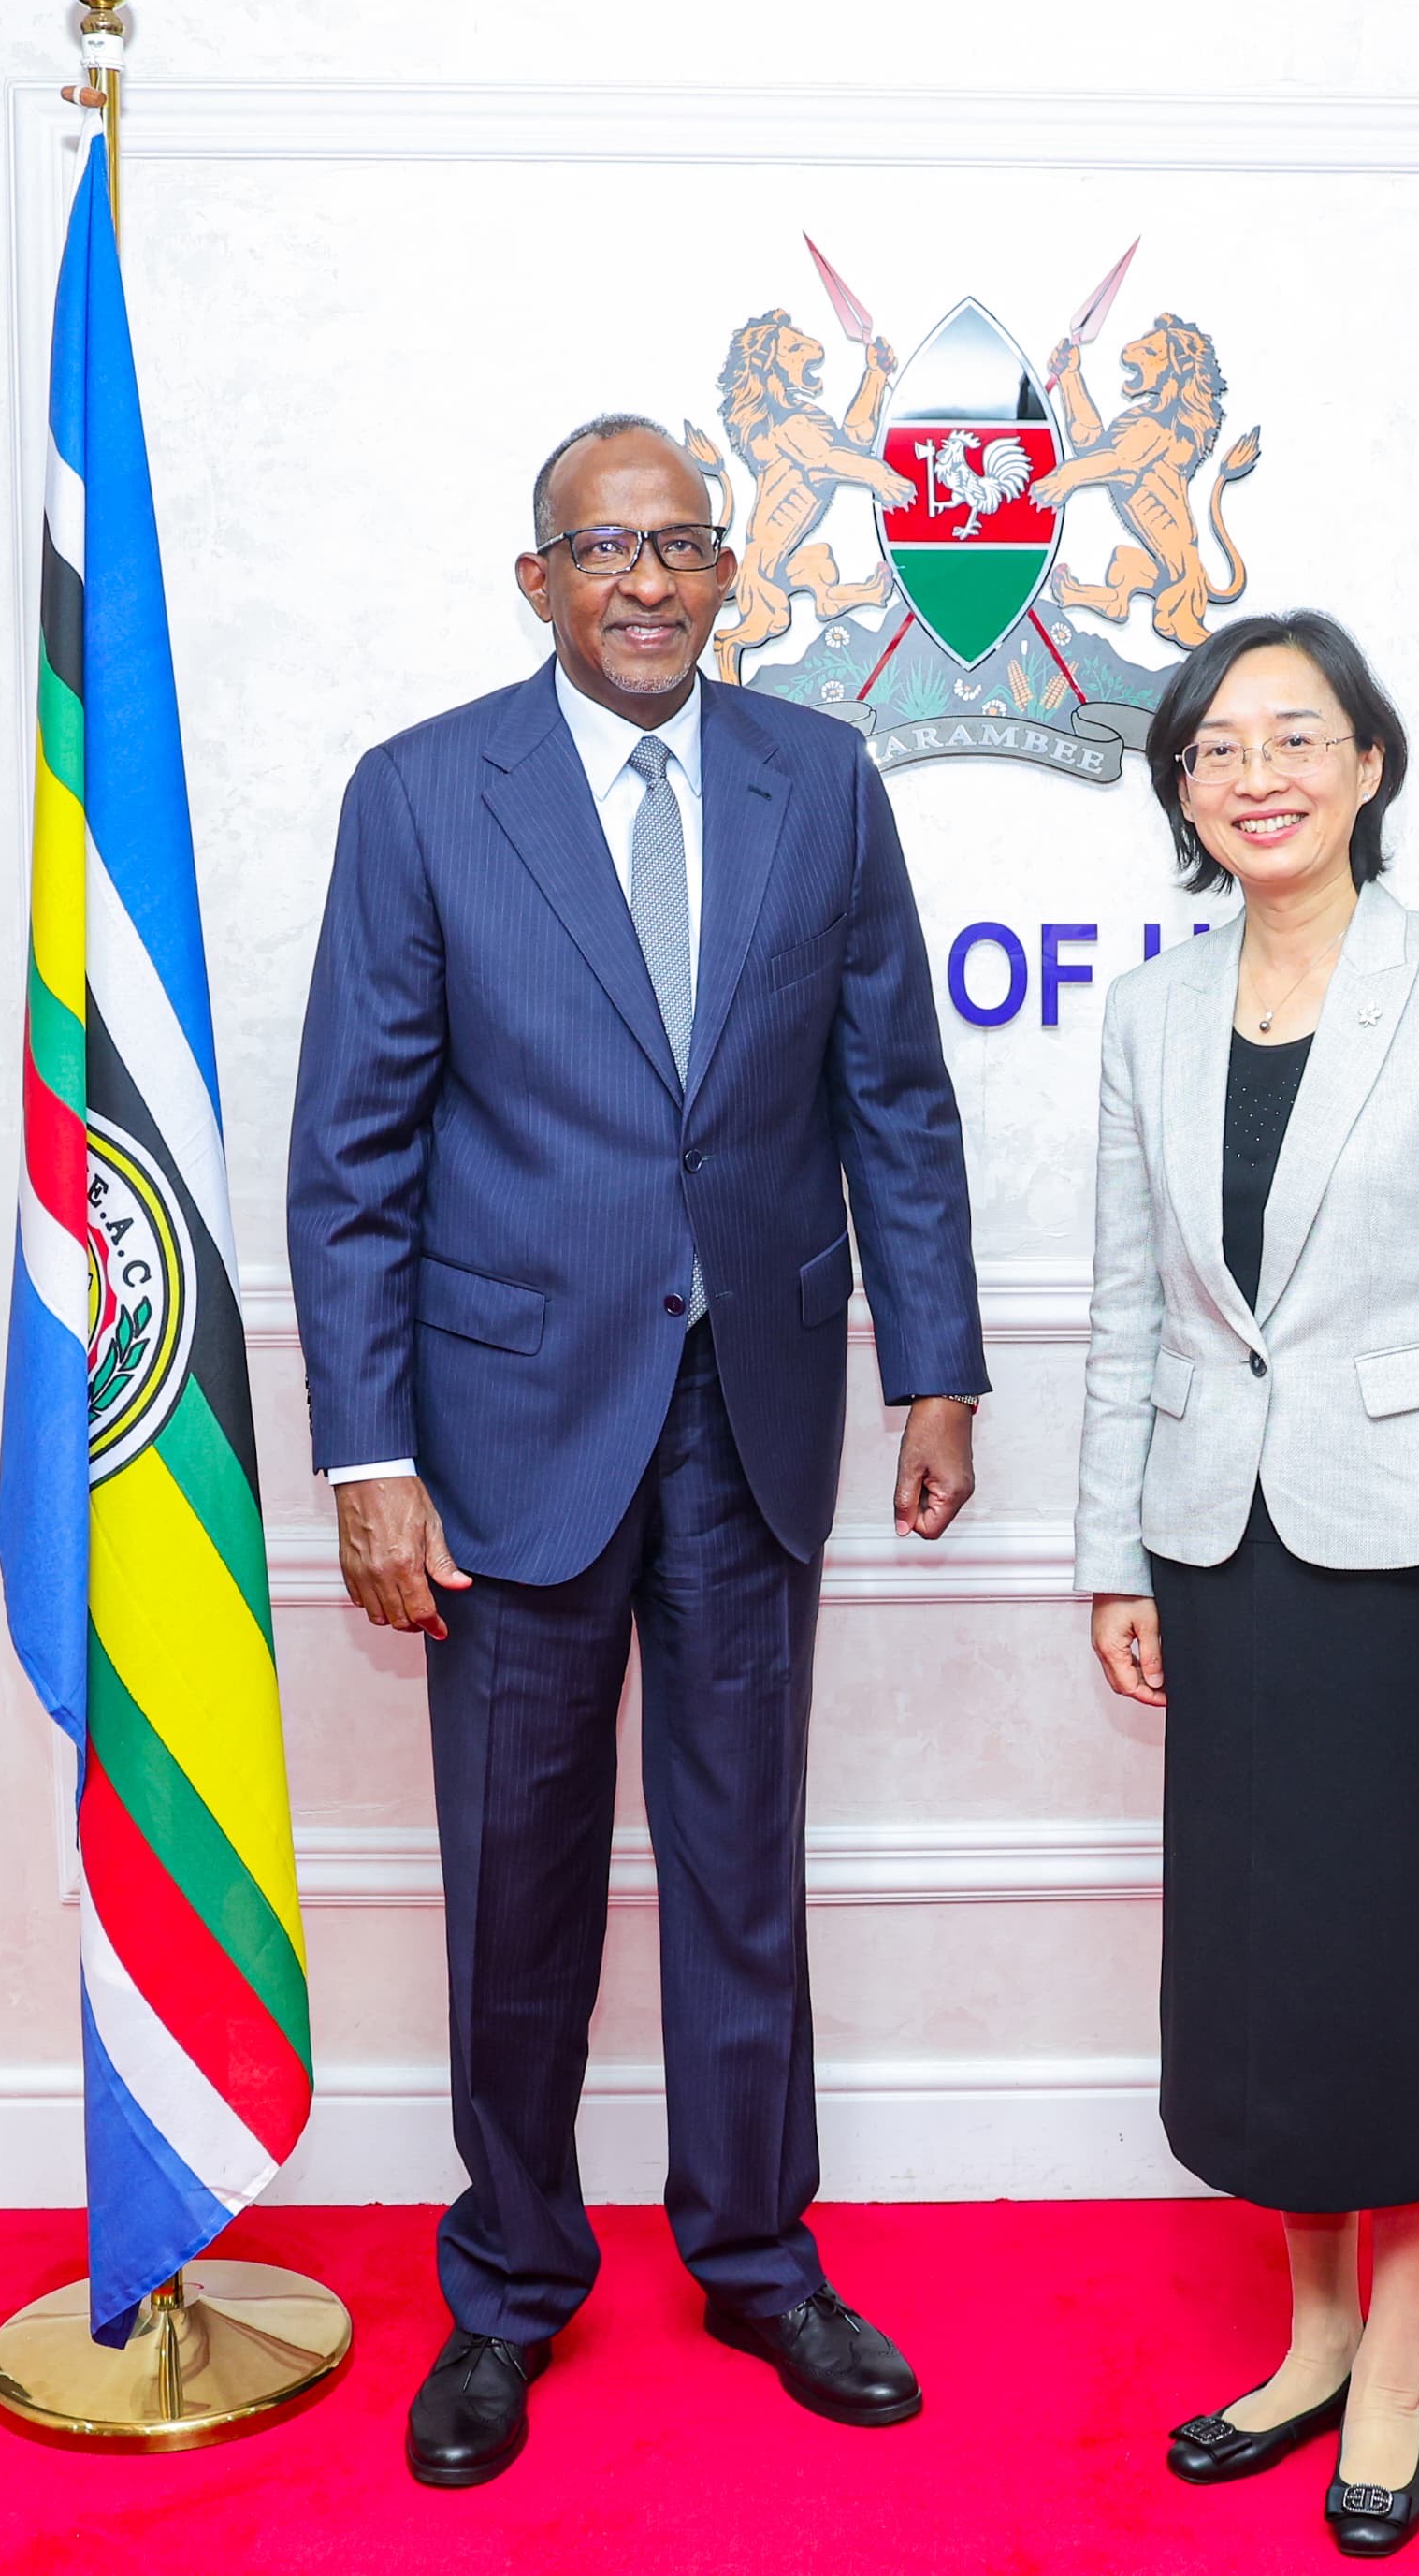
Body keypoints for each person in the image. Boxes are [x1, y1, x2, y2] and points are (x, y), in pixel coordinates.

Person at [288, 414, 989, 2488]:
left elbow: (898, 1093)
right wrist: (367, 1453)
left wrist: (932, 1367)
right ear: (538, 583)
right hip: (504, 1434)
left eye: (685, 542)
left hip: (749, 1422)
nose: (651, 581)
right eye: (606, 550)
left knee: (738, 1863)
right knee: (515, 1888)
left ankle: (761, 2256)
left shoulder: (822, 783)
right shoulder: (422, 796)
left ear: (731, 569)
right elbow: (351, 1157)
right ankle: (506, 2286)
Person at [1074, 612, 1419, 2558]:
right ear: (1183, 792)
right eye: (1215, 745)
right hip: (1221, 1556)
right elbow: (1132, 1305)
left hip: (1414, 1562)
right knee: (1268, 1974)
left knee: (1400, 1965)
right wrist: (1110, 1545)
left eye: (1297, 734)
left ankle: (1392, 2361)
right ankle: (1302, 2336)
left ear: (1369, 761)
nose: (1255, 771)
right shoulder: (1149, 1011)